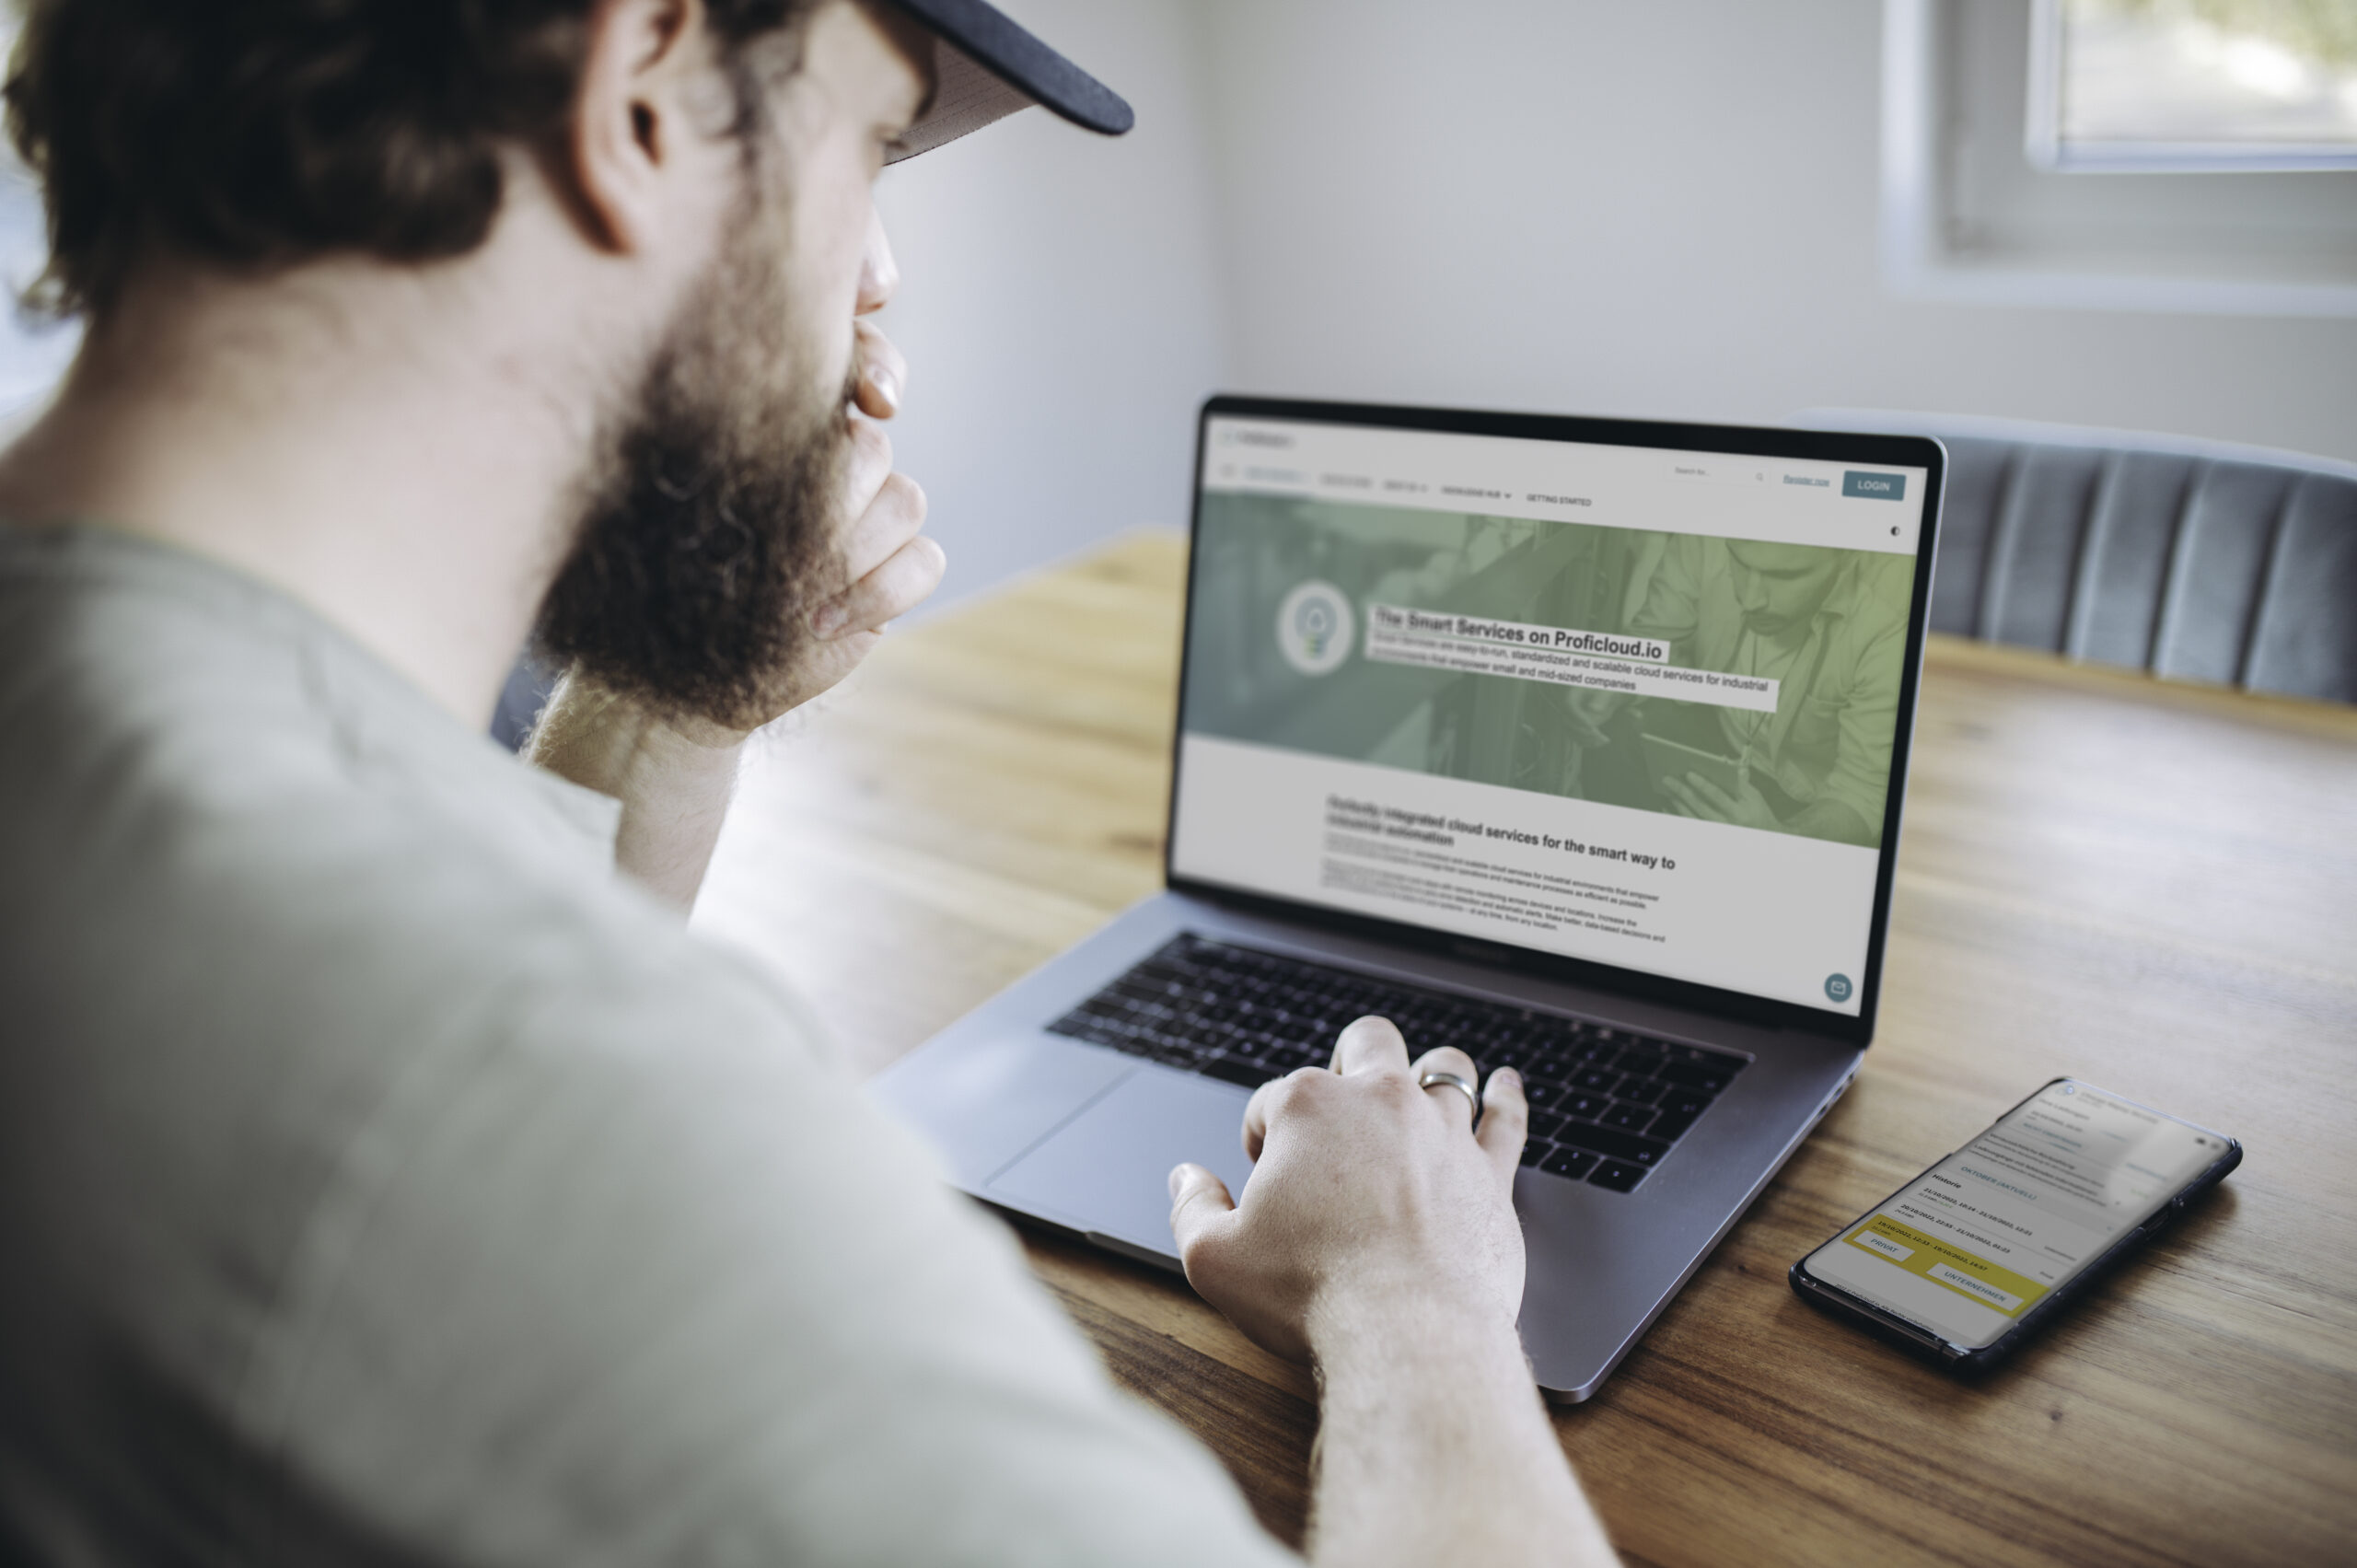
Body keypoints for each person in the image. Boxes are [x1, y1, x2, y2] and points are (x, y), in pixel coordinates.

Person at [0, 2, 1620, 1564]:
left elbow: (433, 892)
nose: (876, 279)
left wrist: (678, 694)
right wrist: (1414, 1294)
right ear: (640, 85)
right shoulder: (490, 1078)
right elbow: (463, 1046)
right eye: (876, 144)